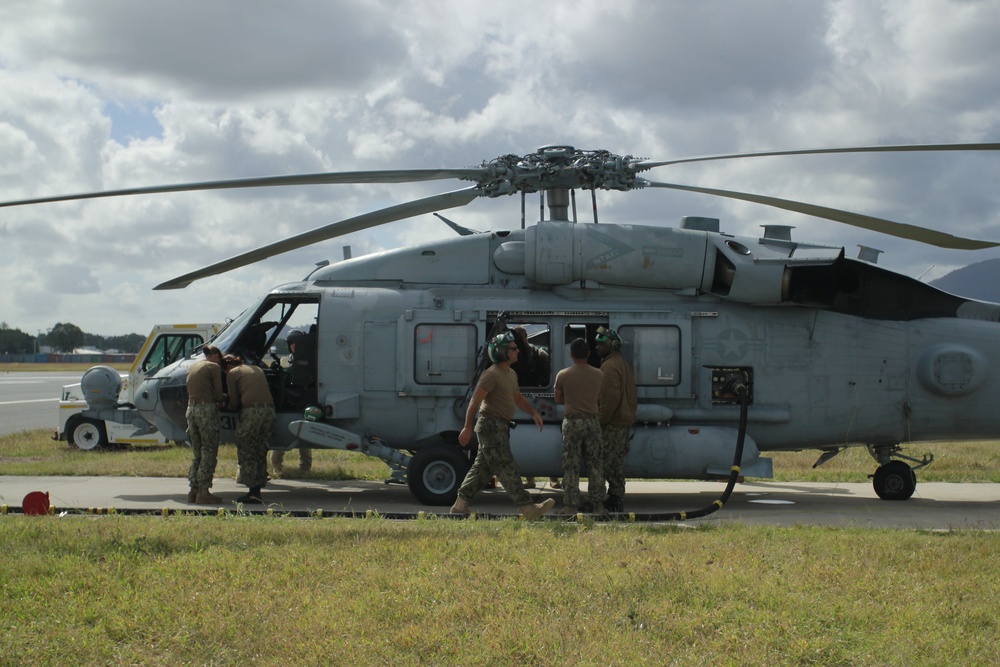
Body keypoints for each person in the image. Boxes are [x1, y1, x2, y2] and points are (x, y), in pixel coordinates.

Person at [451, 331, 556, 521]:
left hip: (500, 426)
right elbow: (474, 401)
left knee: (482, 468)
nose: (518, 351)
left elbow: (517, 398)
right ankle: (528, 507)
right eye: (513, 349)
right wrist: (467, 427)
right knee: (506, 466)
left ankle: (460, 505)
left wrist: (533, 413)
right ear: (501, 352)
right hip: (490, 425)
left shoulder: (511, 374)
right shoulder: (491, 375)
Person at [553, 338, 606, 514]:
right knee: (595, 464)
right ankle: (598, 505)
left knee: (571, 465)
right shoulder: (599, 374)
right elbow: (599, 396)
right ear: (589, 354)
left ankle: (570, 506)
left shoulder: (563, 374)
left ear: (571, 355)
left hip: (572, 421)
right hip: (592, 421)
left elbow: (558, 398)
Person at [222, 354, 275, 504]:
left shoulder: (232, 374)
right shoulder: (256, 368)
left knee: (247, 450)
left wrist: (224, 401)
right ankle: (257, 488)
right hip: (269, 412)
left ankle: (253, 492)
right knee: (260, 450)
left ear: (227, 368)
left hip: (252, 413)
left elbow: (234, 403)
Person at [596, 327, 637, 513]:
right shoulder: (623, 364)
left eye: (601, 344)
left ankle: (595, 500)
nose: (597, 347)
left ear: (613, 345)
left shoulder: (609, 366)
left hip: (612, 424)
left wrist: (601, 421)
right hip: (623, 423)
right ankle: (616, 498)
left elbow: (609, 399)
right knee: (616, 464)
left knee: (600, 462)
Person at [185, 345, 227, 504]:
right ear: (215, 355)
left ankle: (193, 490)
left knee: (197, 453)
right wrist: (226, 397)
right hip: (206, 410)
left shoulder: (192, 367)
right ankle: (204, 491)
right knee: (209, 450)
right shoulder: (213, 367)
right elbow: (218, 393)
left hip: (191, 409)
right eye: (220, 358)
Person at [270, 329, 312, 475]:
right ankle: (277, 467)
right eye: (291, 343)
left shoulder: (308, 359)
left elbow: (298, 374)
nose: (294, 346)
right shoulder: (291, 358)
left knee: (305, 436)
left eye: (296, 343)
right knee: (281, 437)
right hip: (292, 399)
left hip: (303, 399)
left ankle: (305, 468)